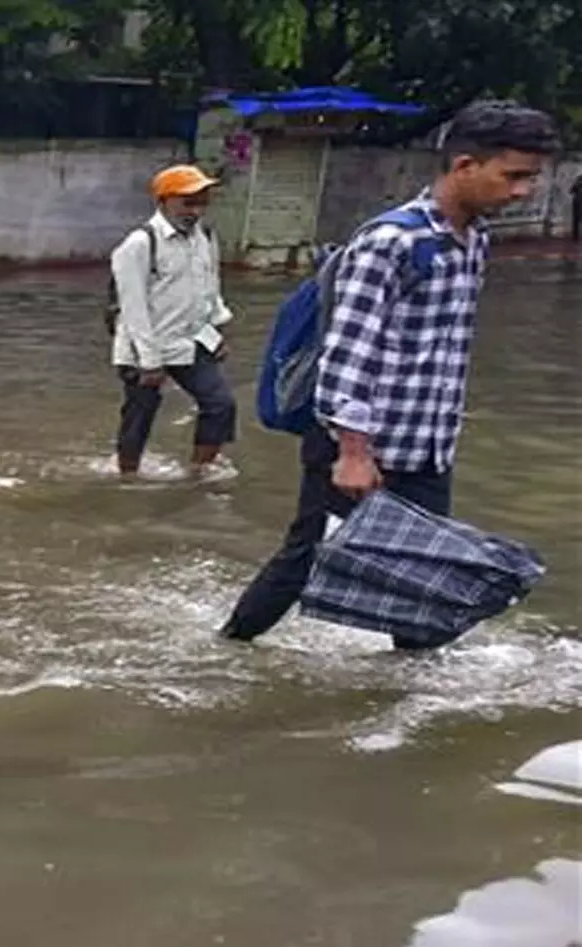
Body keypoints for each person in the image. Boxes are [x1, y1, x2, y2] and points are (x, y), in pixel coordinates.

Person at [222, 101, 560, 648]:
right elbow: (348, 352)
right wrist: (354, 452)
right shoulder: (390, 242)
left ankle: (403, 705)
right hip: (361, 450)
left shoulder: (473, 242)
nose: (523, 191)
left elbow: (441, 349)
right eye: (514, 176)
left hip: (427, 447)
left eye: (531, 179)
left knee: (426, 581)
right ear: (465, 165)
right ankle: (231, 648)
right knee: (307, 559)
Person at [108, 164, 237, 478]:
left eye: (202, 202)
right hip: (145, 346)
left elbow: (210, 286)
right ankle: (127, 477)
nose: (196, 210)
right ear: (163, 201)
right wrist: (150, 362)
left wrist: (216, 330)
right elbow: (133, 307)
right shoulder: (139, 244)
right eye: (188, 202)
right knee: (139, 416)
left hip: (191, 341)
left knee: (221, 405)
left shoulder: (205, 236)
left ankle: (199, 472)